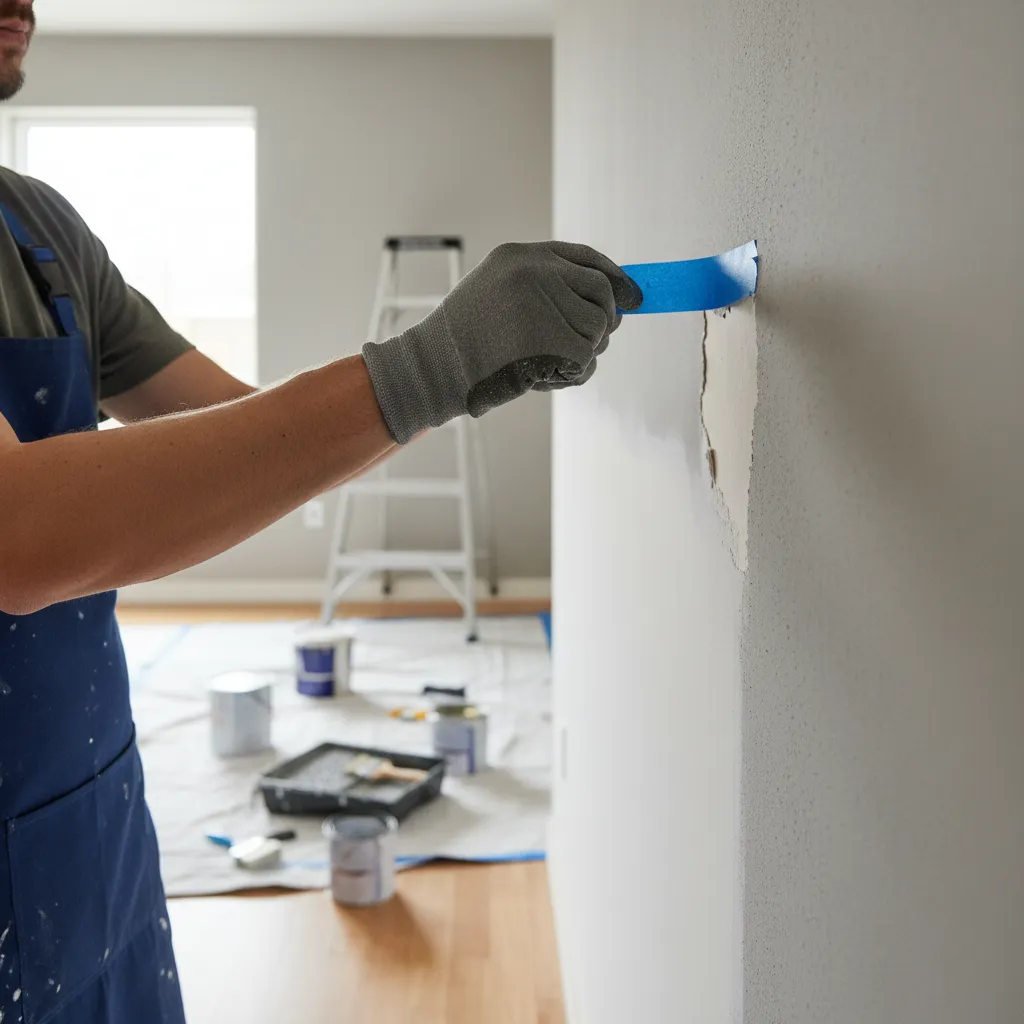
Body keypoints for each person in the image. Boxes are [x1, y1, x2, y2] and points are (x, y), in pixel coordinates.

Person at [0, 2, 641, 1021]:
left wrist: (457, 378)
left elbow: (246, 431)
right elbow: (19, 537)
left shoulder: (38, 231)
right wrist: (427, 366)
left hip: (89, 809)